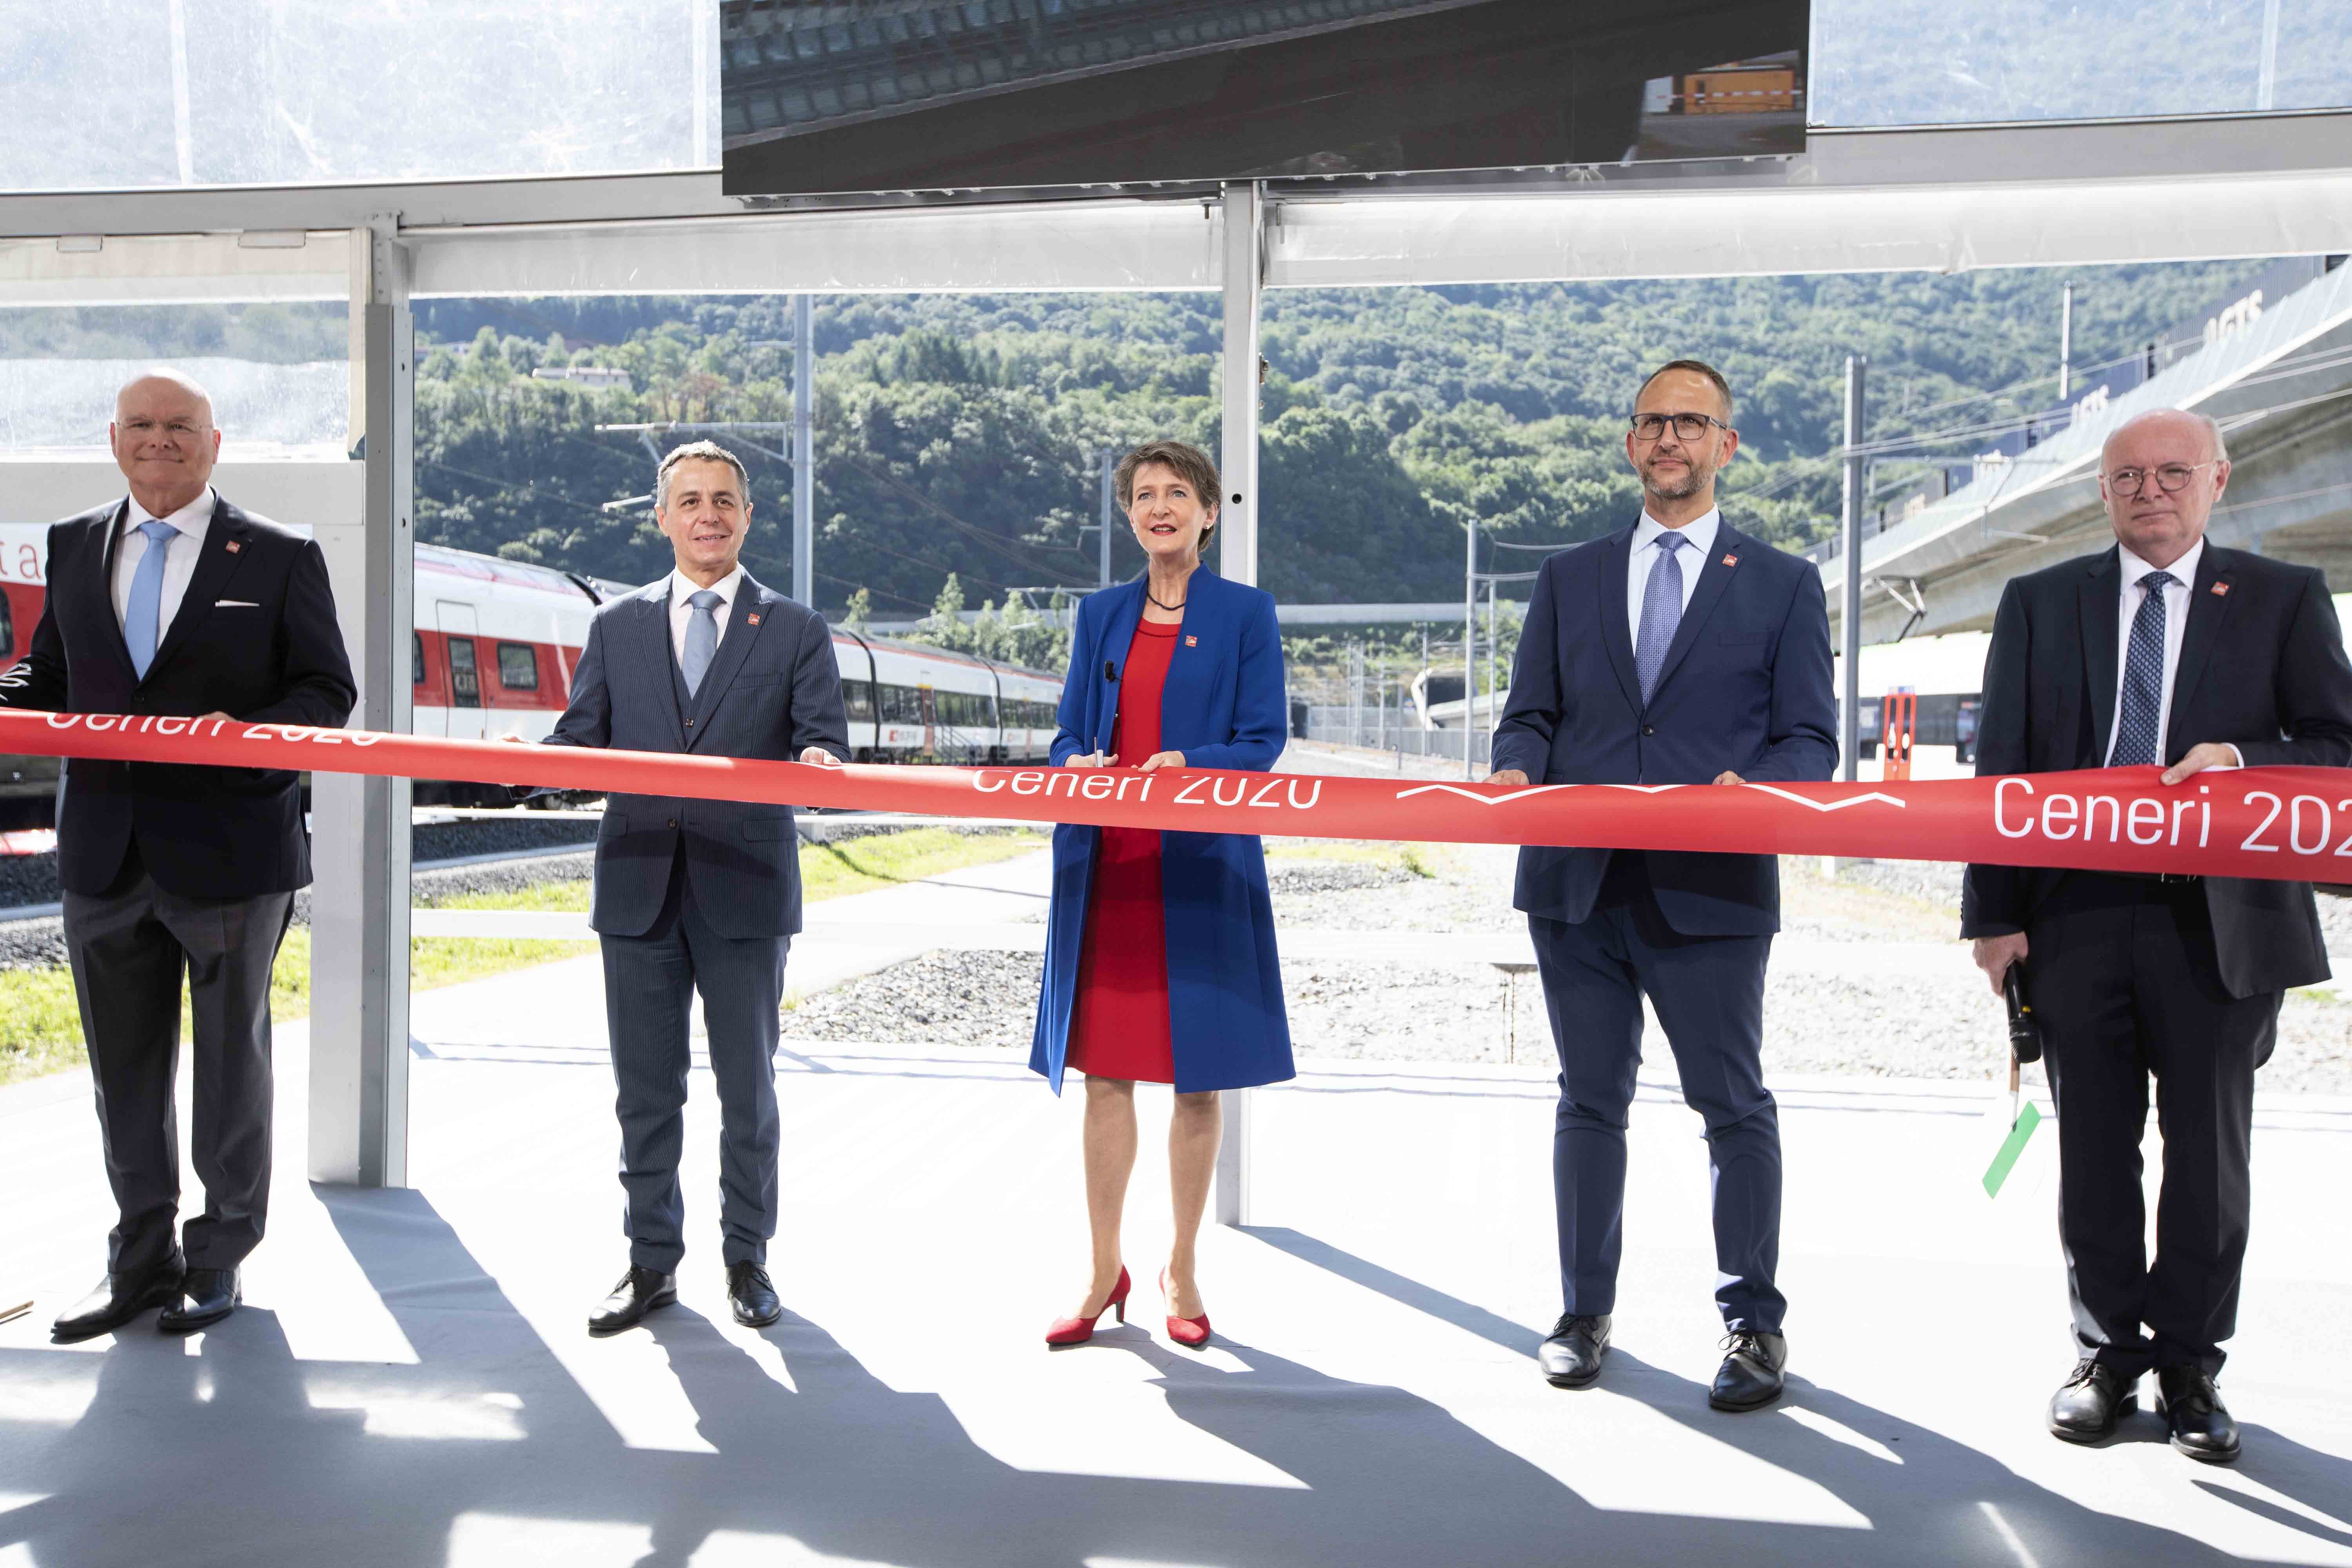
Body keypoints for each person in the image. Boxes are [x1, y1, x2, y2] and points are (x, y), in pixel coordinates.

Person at [1962, 408, 2352, 1463]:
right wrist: (1991, 917)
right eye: (2129, 475)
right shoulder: (2041, 603)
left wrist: (2245, 761)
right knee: (2091, 1150)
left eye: (2174, 471)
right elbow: (2001, 770)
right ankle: (2106, 1355)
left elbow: (2336, 749)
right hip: (2072, 920)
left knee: (2209, 1160)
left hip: (2219, 924)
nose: (2152, 490)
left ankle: (2190, 1363)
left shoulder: (2284, 600)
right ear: (2102, 490)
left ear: (2219, 479)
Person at [1490, 359, 1835, 1410]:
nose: (1670, 438)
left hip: (1712, 893)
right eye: (1653, 422)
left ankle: (1754, 1328)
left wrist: (1755, 790)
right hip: (1576, 889)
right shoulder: (1569, 578)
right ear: (1630, 443)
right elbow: (1531, 715)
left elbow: (1810, 740)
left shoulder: (1781, 584)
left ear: (1728, 446)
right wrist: (1513, 768)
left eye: (1693, 423)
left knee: (1732, 1107)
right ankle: (1582, 1314)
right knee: (1588, 1104)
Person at [0, 370, 356, 1339]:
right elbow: (52, 668)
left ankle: (219, 1258)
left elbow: (328, 690)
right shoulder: (76, 543)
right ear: (114, 438)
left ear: (215, 440)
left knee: (231, 1069)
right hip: (105, 851)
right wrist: (10, 692)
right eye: (144, 426)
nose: (162, 441)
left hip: (234, 848)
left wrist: (241, 736)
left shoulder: (279, 555)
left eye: (182, 427)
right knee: (124, 1072)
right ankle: (140, 1260)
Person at [540, 440, 849, 1337]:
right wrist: (531, 768)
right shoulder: (618, 626)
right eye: (689, 500)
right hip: (638, 887)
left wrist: (819, 761)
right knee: (645, 1089)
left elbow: (818, 739)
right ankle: (649, 1263)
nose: (707, 513)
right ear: (662, 515)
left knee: (748, 1090)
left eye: (723, 499)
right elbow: (580, 740)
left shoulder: (794, 628)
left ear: (748, 517)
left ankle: (747, 1257)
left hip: (745, 887)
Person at [1029, 439, 1291, 1351]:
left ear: (1210, 512)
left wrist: (1191, 768)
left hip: (1201, 863)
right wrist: (1080, 764)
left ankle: (1182, 1266)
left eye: (1178, 492)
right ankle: (1105, 1269)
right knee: (1106, 1074)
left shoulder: (1247, 614)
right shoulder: (1098, 613)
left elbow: (1264, 741)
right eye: (1143, 495)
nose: (1160, 506)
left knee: (1199, 1080)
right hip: (1108, 867)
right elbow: (1065, 735)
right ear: (1129, 516)